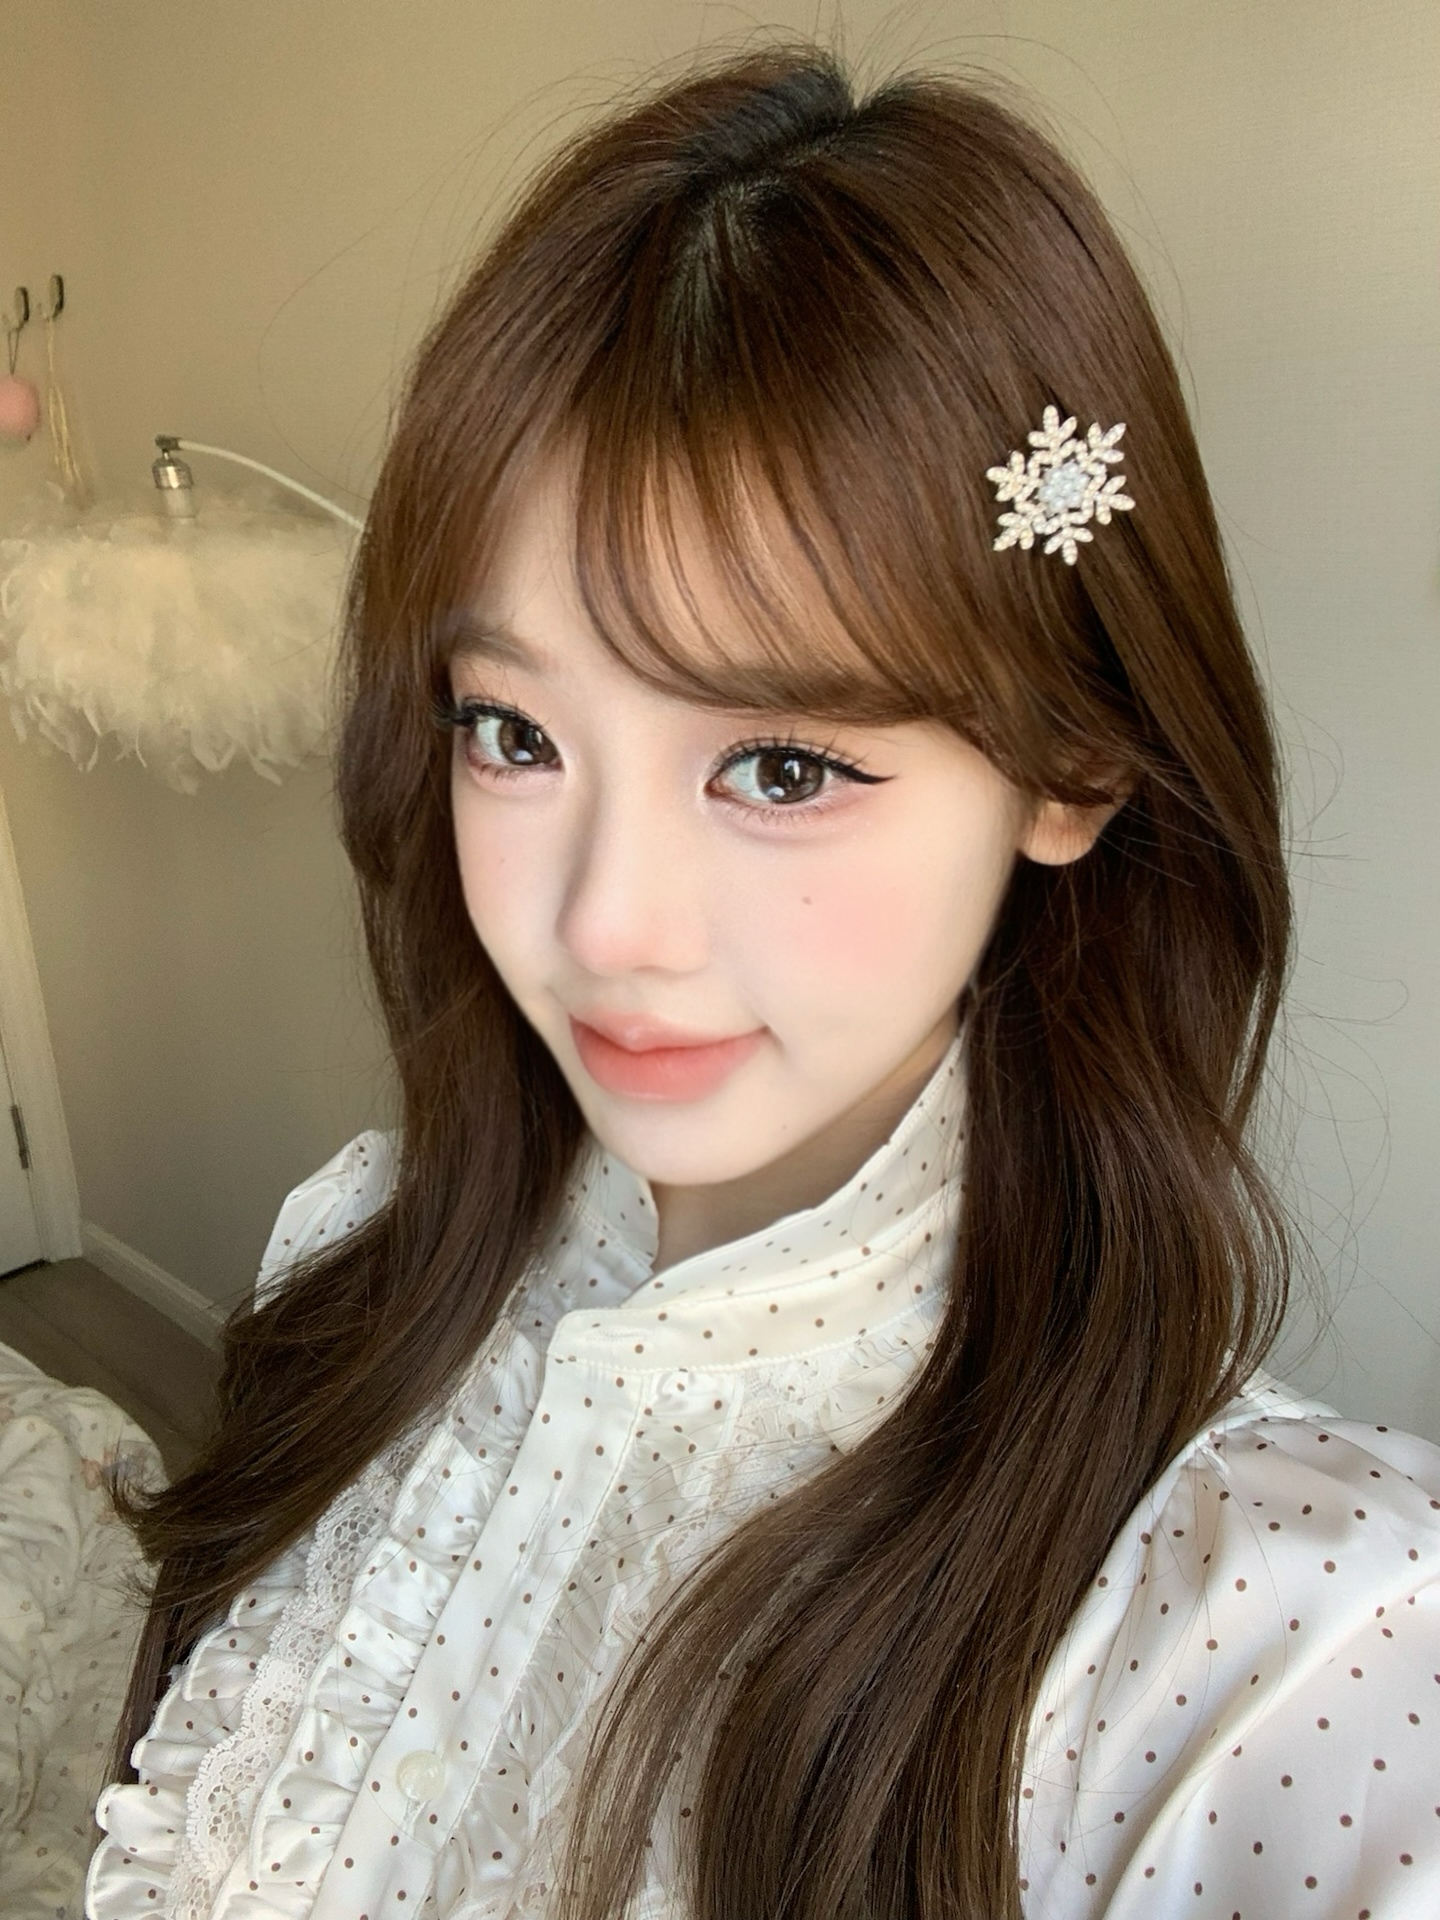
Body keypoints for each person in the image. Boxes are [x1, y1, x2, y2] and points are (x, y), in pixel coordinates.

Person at [87, 43, 1439, 1920]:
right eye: (513, 734)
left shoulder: (1289, 1642)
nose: (604, 923)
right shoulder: (362, 1248)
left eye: (783, 766)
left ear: (1071, 767)